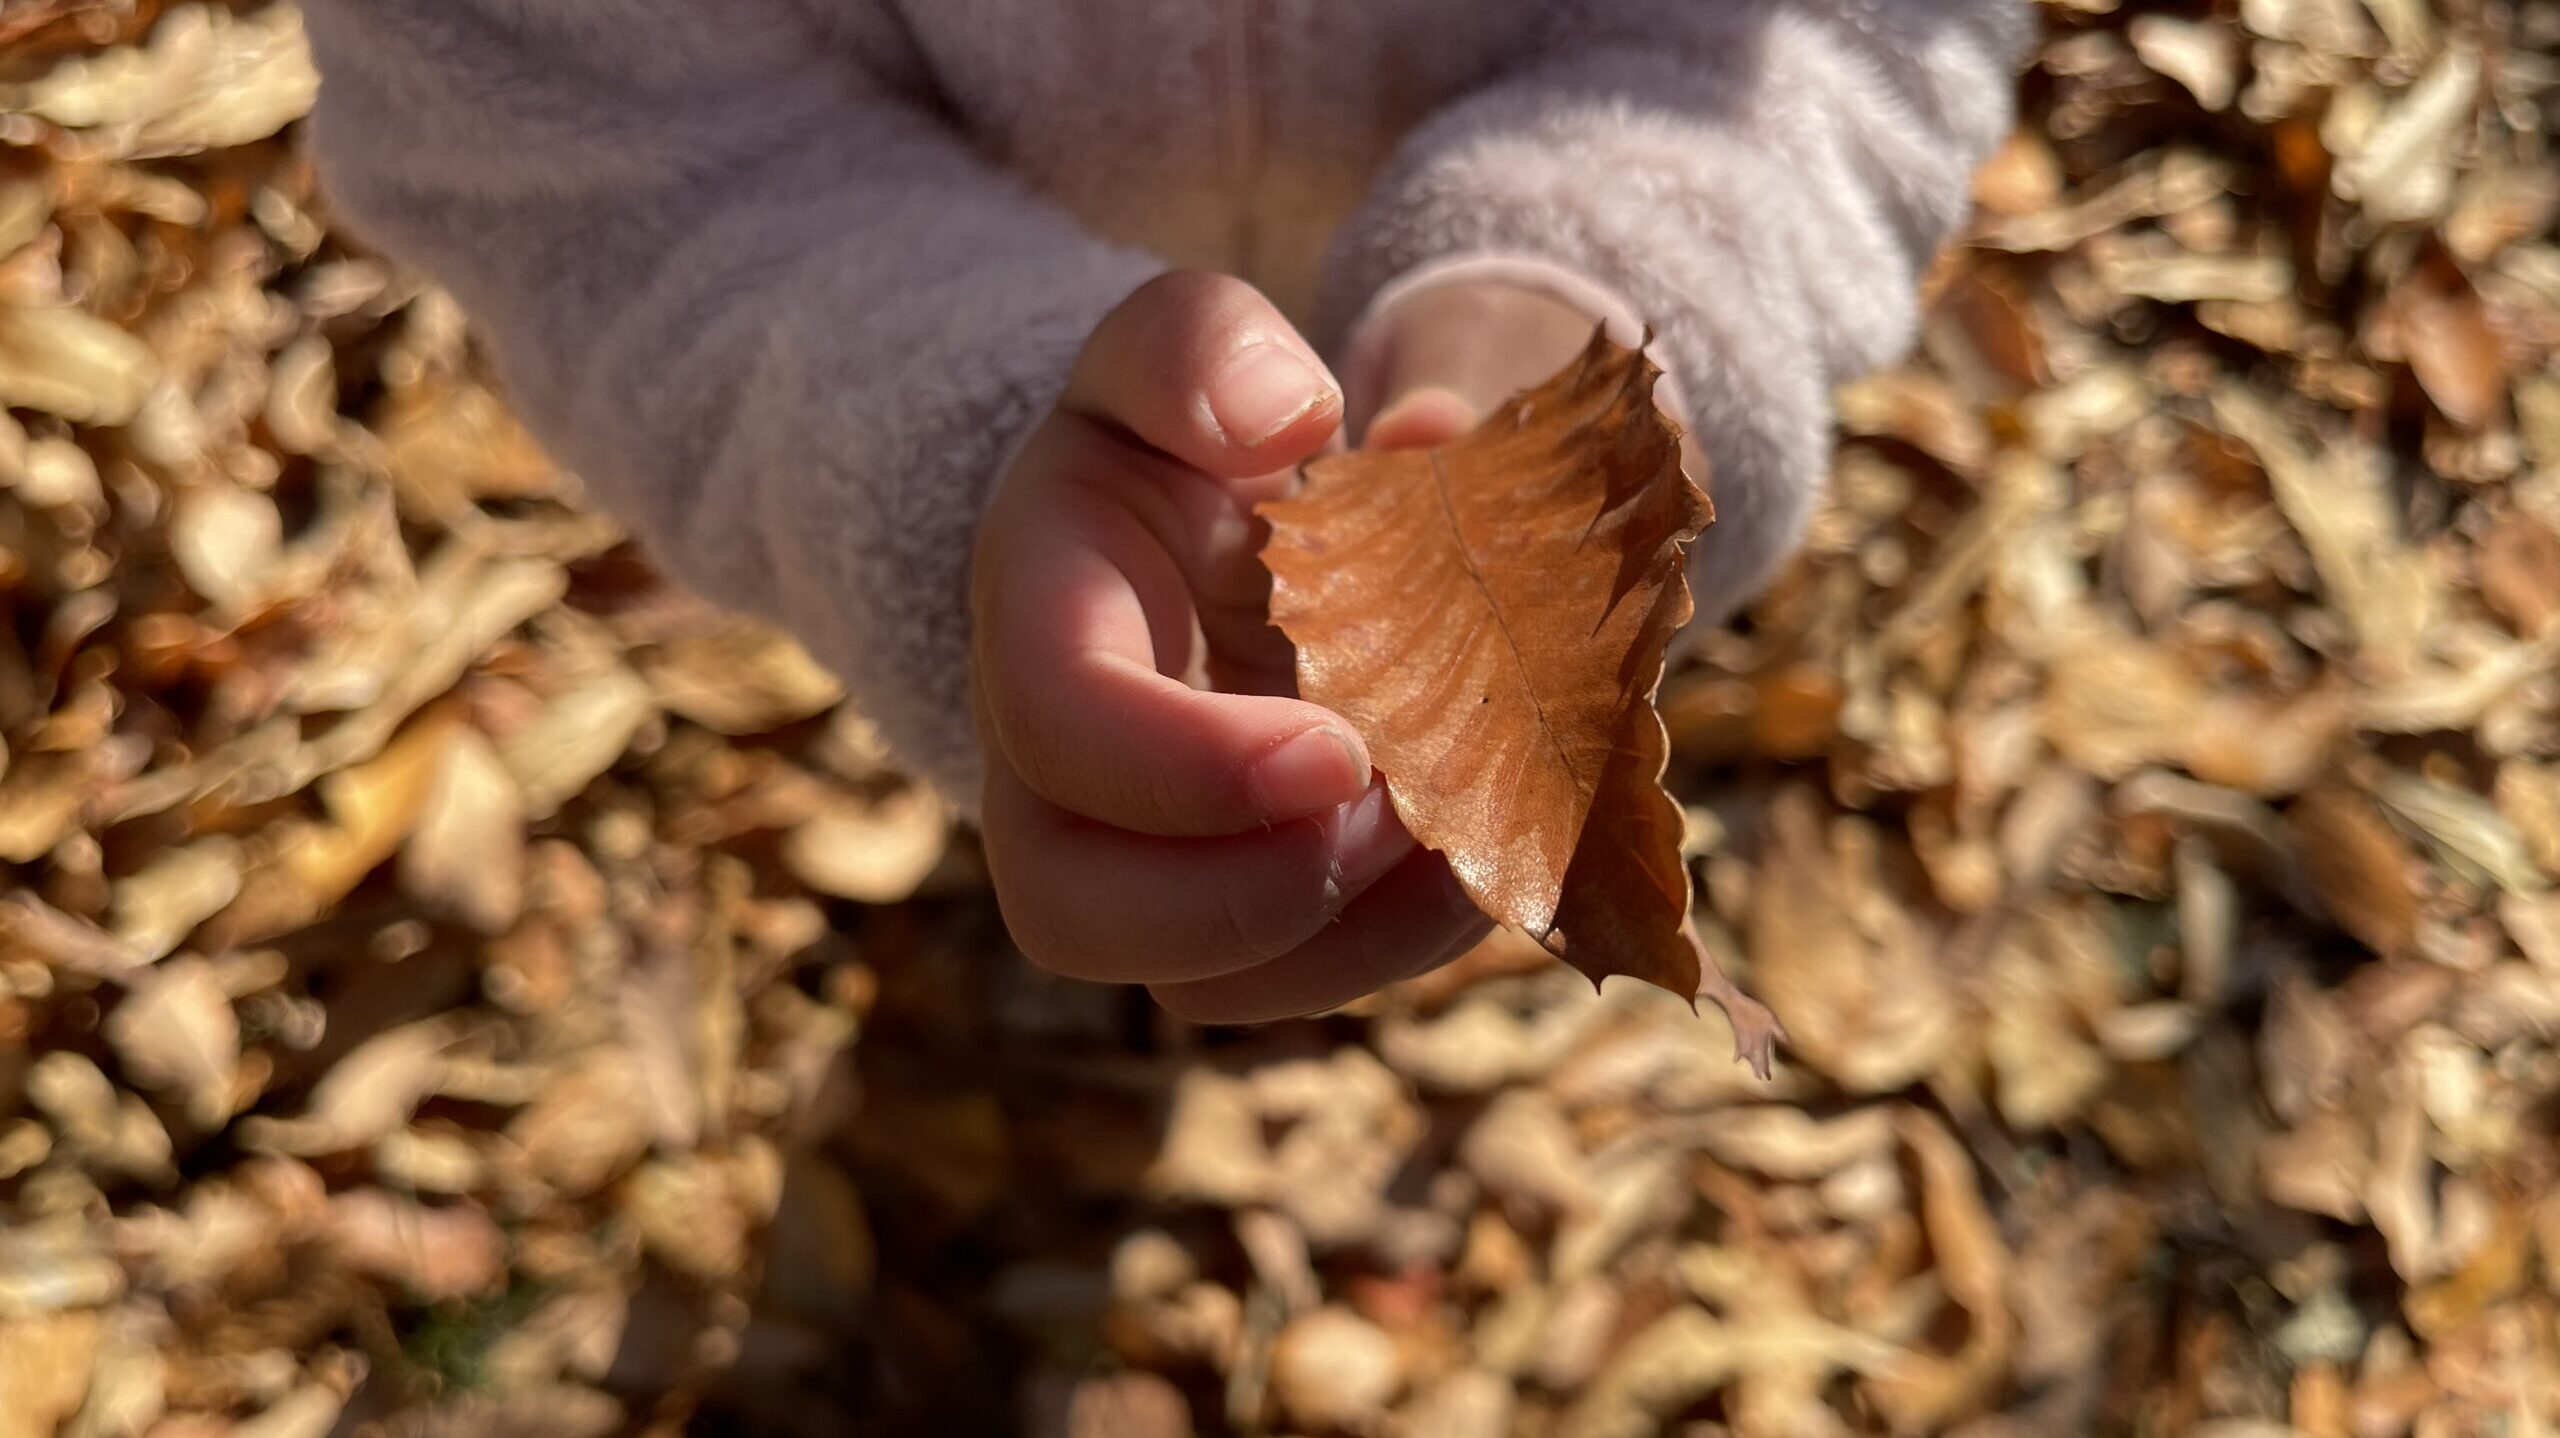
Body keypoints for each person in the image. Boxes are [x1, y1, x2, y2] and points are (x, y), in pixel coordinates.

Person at [301, 0, 2026, 1024]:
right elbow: (591, 153)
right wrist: (954, 456)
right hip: (915, 312)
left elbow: (1860, 34)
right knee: (1181, 808)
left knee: (1314, 834)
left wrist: (1613, 301)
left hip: (1516, 298)